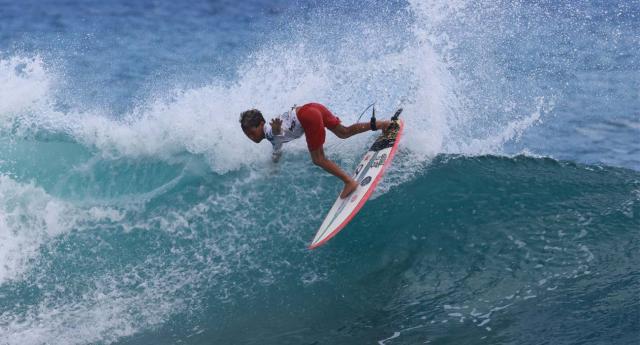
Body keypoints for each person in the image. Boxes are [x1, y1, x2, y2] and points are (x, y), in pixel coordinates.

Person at [240, 102, 391, 198]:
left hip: (308, 117)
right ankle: (383, 125)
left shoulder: (269, 131)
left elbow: (276, 133)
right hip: (312, 107)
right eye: (247, 135)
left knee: (318, 159)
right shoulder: (271, 137)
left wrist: (276, 128)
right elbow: (277, 146)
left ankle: (349, 182)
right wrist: (273, 164)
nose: (251, 137)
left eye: (252, 132)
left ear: (261, 124)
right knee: (343, 132)